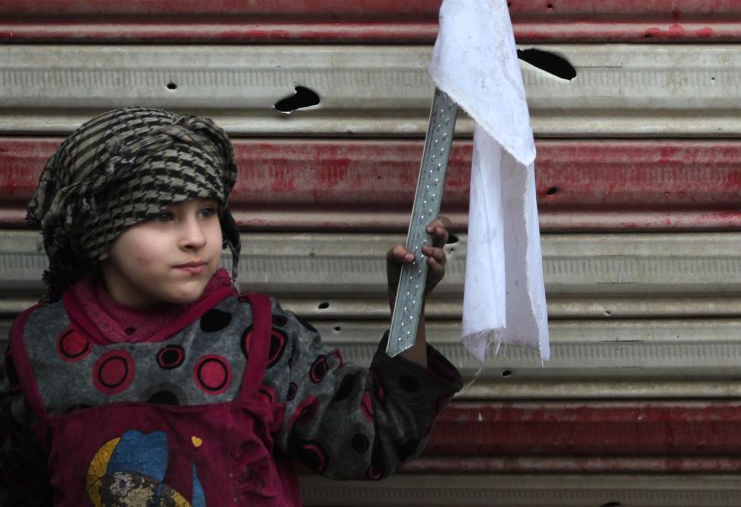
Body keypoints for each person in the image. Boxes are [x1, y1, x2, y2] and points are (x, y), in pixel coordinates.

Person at [0, 107, 462, 506]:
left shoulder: (260, 338)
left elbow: (373, 442)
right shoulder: (39, 347)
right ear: (98, 235)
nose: (196, 238)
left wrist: (408, 308)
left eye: (207, 212)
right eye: (163, 216)